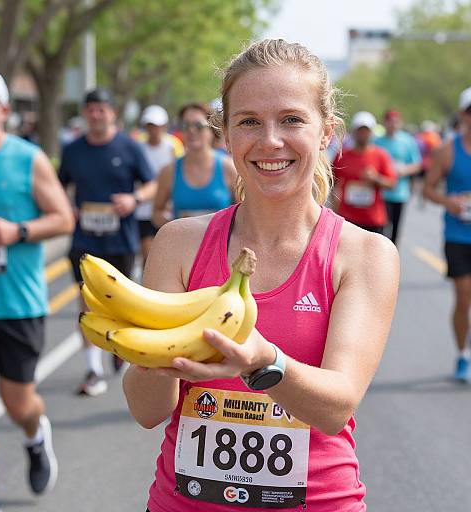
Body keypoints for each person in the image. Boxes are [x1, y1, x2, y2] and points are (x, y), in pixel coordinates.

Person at [123, 39, 399, 511]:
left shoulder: (365, 254)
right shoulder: (178, 243)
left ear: (326, 132)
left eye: (291, 119)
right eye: (248, 121)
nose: (270, 141)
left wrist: (262, 359)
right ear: (225, 135)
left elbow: (336, 408)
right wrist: (158, 358)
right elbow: (147, 411)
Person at [0, 68, 74, 512]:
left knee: (16, 400)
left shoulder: (28, 159)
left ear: (3, 111)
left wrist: (17, 231)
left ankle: (34, 431)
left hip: (17, 303)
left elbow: (63, 218)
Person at [59, 88, 155, 396]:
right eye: (91, 110)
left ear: (113, 113)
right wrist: (67, 207)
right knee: (85, 300)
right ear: (85, 114)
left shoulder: (129, 147)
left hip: (121, 240)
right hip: (84, 238)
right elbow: (58, 185)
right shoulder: (73, 149)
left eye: (102, 109)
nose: (96, 115)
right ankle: (93, 367)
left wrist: (134, 198)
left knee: (120, 301)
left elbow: (152, 184)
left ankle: (118, 347)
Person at [423, 86, 471, 382]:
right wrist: (449, 202)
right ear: (462, 115)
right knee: (464, 297)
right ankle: (463, 355)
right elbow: (428, 188)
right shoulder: (447, 150)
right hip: (458, 237)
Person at [152, 102, 237, 228]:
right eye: (186, 126)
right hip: (182, 245)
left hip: (222, 245)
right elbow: (156, 213)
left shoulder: (229, 167)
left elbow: (246, 212)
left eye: (198, 126)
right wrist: (172, 224)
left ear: (211, 129)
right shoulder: (169, 171)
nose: (192, 131)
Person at [332, 111, 397, 233]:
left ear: (372, 132)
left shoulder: (381, 155)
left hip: (373, 219)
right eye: (360, 130)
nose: (363, 134)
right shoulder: (342, 155)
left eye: (366, 130)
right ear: (354, 131)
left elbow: (392, 184)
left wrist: (375, 178)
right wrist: (334, 205)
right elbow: (332, 182)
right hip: (347, 218)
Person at [135, 105, 176, 267]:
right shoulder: (138, 148)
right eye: (150, 126)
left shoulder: (172, 147)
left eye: (157, 126)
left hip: (166, 209)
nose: (154, 130)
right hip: (144, 211)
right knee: (149, 256)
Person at [374, 110, 422, 245]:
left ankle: (393, 257)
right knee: (380, 229)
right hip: (381, 192)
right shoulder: (377, 141)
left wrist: (404, 170)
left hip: (400, 193)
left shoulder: (407, 141)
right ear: (385, 123)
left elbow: (417, 164)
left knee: (395, 229)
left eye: (396, 122)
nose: (393, 125)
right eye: (390, 121)